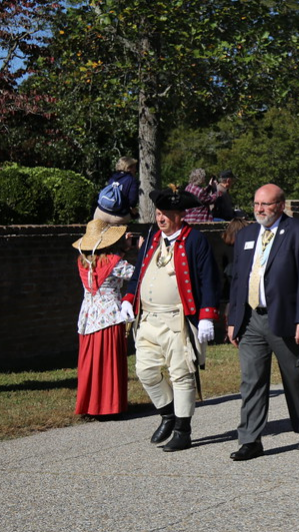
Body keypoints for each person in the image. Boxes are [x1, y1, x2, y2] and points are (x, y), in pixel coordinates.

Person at [227, 184, 299, 461]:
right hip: (250, 319)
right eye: (256, 204)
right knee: (252, 380)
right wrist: (234, 320)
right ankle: (250, 439)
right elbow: (237, 281)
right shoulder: (245, 234)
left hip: (286, 318)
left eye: (266, 204)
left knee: (296, 374)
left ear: (280, 206)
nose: (259, 209)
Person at [121, 187, 221, 452]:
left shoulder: (195, 240)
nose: (161, 218)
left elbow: (209, 280)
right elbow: (138, 274)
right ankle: (168, 414)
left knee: (181, 374)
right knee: (145, 370)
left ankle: (183, 430)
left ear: (180, 215)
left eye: (166, 214)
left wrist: (207, 316)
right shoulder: (153, 236)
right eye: (158, 213)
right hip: (148, 319)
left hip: (178, 320)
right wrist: (128, 300)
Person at [73, 220, 134, 417]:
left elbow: (103, 266)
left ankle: (90, 405)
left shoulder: (82, 262)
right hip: (110, 316)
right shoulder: (115, 263)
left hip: (89, 318)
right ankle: (110, 406)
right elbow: (138, 276)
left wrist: (121, 252)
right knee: (109, 363)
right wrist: (135, 251)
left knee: (91, 363)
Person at [95, 156, 140, 225]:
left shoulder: (113, 177)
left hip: (100, 213)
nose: (135, 170)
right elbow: (132, 202)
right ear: (129, 168)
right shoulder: (131, 180)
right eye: (134, 167)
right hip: (118, 217)